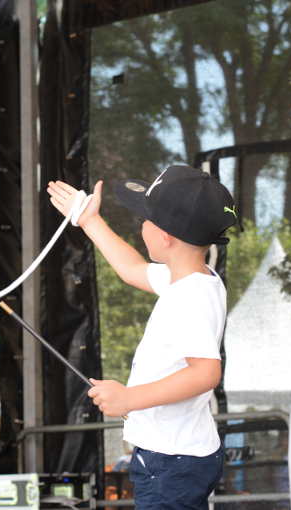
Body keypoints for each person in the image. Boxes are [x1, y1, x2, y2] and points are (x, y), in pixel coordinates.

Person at [47, 165, 237, 509]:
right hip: (179, 457)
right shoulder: (195, 279)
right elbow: (131, 270)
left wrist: (128, 399)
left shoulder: (189, 295)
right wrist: (90, 220)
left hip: (170, 462)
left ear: (165, 236)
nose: (141, 225)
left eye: (145, 219)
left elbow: (206, 372)